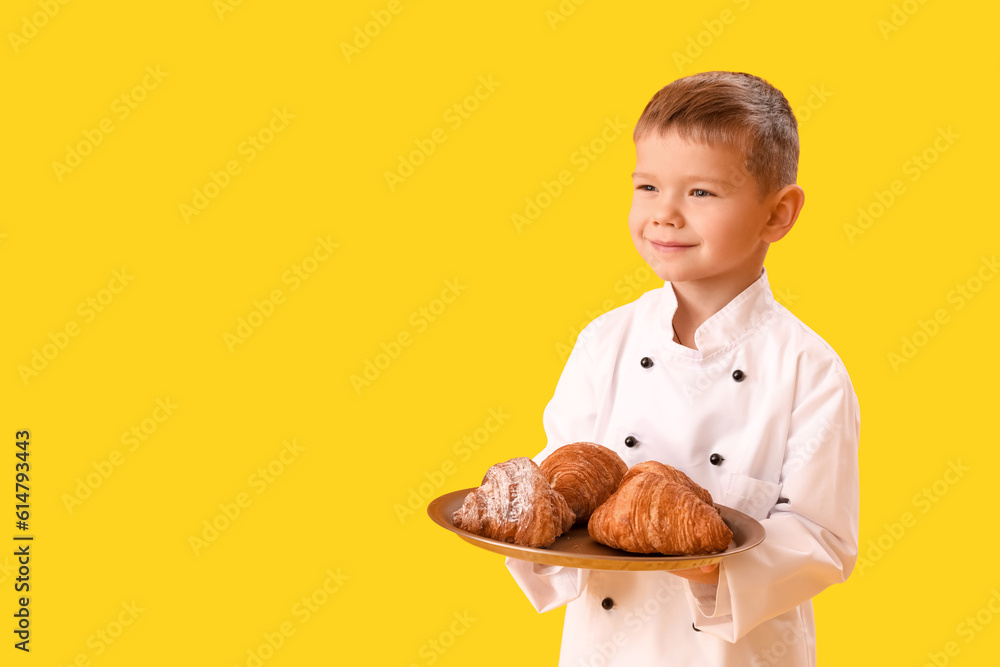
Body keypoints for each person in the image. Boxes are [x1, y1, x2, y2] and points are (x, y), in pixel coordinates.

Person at [505, 71, 860, 666]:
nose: (664, 214)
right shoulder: (604, 342)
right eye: (647, 187)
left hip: (736, 654)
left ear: (778, 214)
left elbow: (822, 538)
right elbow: (561, 491)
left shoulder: (808, 368)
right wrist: (526, 526)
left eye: (700, 193)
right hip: (606, 649)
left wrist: (708, 568)